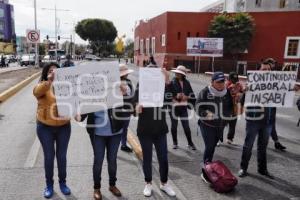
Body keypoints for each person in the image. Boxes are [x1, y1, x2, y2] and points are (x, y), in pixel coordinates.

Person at [134, 64, 176, 197]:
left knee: (163, 158)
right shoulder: (140, 86)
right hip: (145, 129)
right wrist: (136, 108)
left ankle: (164, 183)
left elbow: (172, 97)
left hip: (160, 129)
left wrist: (168, 80)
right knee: (147, 158)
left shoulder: (163, 87)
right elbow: (133, 103)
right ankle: (148, 183)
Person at [33, 62, 72, 198]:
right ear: (46, 73)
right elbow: (36, 92)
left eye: (56, 70)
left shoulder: (66, 86)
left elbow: (76, 101)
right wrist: (49, 81)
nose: (54, 72)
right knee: (49, 157)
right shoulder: (43, 85)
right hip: (45, 127)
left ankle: (63, 183)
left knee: (61, 157)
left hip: (64, 127)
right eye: (50, 70)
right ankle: (49, 185)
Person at [75, 105, 125, 200]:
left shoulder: (115, 90)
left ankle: (112, 185)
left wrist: (125, 91)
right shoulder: (92, 93)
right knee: (98, 160)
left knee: (112, 160)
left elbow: (127, 101)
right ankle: (97, 188)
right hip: (97, 133)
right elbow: (82, 114)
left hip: (115, 131)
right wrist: (78, 116)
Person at [238, 61, 276, 179]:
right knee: (248, 145)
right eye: (263, 69)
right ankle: (243, 168)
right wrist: (244, 91)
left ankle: (262, 169)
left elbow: (282, 98)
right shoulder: (251, 84)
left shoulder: (275, 84)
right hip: (253, 120)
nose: (266, 71)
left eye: (268, 69)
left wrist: (290, 89)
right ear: (258, 71)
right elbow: (242, 100)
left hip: (268, 121)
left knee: (263, 146)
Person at [195, 72, 233, 182]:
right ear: (212, 82)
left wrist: (228, 114)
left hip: (220, 125)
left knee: (212, 146)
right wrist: (206, 114)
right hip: (207, 125)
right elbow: (197, 107)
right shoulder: (205, 92)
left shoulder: (227, 92)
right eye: (218, 82)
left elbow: (230, 106)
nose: (221, 84)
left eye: (223, 81)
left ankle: (209, 166)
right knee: (210, 146)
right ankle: (206, 171)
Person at [169, 65, 196, 150]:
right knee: (174, 126)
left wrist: (187, 97)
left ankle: (190, 143)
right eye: (176, 73)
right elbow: (167, 94)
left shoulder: (187, 83)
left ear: (183, 74)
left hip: (183, 107)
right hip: (174, 108)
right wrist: (176, 96)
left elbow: (192, 95)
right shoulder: (172, 82)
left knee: (186, 126)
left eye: (179, 73)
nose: (177, 74)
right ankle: (175, 143)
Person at [264, 58, 286, 151]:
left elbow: (280, 88)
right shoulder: (259, 76)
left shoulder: (275, 76)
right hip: (262, 106)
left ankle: (276, 142)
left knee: (271, 123)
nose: (274, 65)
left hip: (272, 105)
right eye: (272, 63)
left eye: (274, 64)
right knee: (261, 124)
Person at [224, 71, 245, 144]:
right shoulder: (225, 84)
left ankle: (230, 138)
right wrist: (230, 87)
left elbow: (243, 93)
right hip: (226, 107)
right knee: (222, 124)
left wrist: (241, 93)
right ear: (229, 79)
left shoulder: (239, 85)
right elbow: (222, 93)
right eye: (232, 79)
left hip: (235, 107)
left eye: (235, 80)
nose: (234, 81)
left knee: (233, 124)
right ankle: (218, 138)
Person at [119, 64, 134, 152]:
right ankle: (116, 146)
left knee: (125, 128)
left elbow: (131, 95)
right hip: (119, 110)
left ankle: (123, 144)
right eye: (125, 73)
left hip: (127, 109)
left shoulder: (128, 81)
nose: (127, 74)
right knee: (119, 128)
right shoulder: (115, 82)